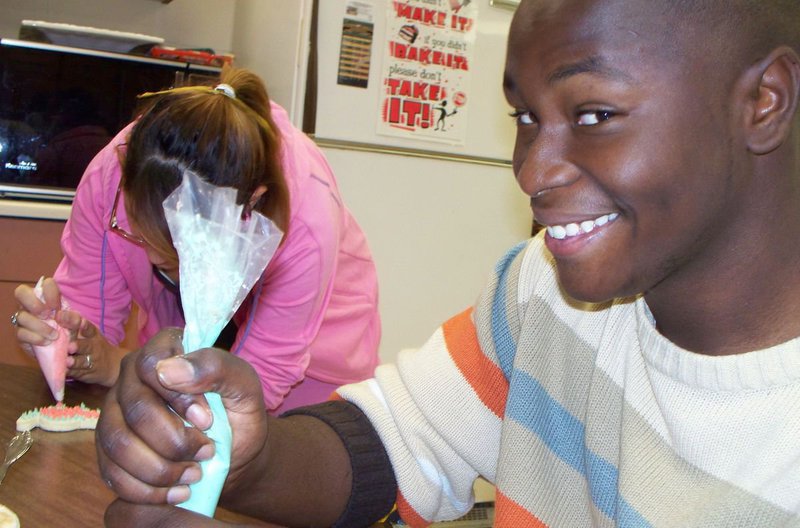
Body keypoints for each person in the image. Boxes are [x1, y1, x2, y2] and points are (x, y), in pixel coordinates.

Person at [97, 0, 800, 526]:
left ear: (763, 101)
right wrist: (248, 460)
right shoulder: (544, 294)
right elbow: (402, 439)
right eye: (524, 116)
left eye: (593, 115)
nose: (532, 172)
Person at [11, 66, 380, 414]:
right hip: (175, 376)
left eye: (174, 251)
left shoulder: (307, 219)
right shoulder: (112, 176)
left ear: (249, 207)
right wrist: (68, 342)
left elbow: (254, 386)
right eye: (140, 233)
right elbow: (91, 324)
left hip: (309, 384)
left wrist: (122, 369)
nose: (154, 260)